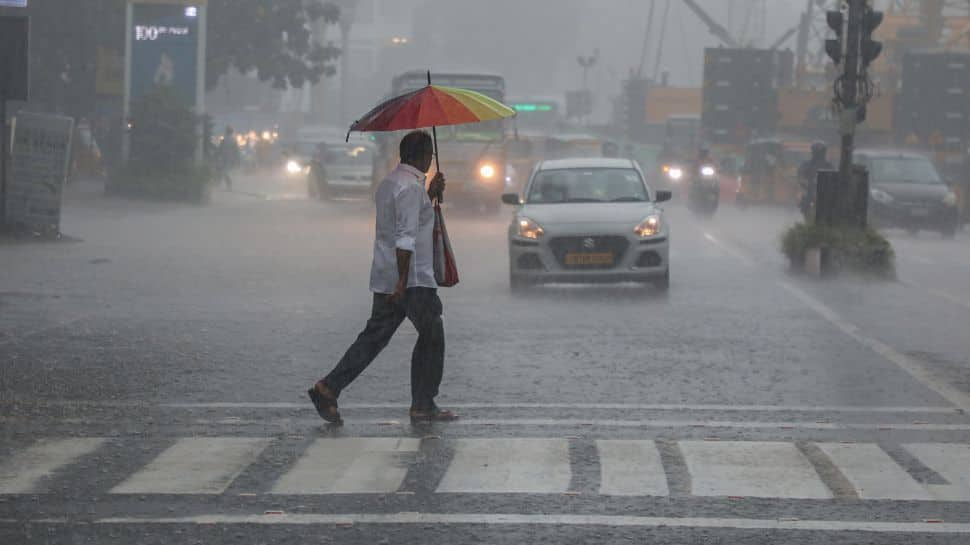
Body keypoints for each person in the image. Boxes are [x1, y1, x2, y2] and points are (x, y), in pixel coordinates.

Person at [308, 130, 454, 425]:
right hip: (411, 279)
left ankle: (328, 387)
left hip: (387, 274)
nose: (430, 161)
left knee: (374, 338)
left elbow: (406, 220)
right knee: (432, 334)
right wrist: (402, 283)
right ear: (423, 155)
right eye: (430, 155)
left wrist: (430, 195)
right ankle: (423, 404)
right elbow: (406, 238)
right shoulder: (411, 188)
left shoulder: (390, 183)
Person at [798, 141, 834, 218]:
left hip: (824, 192)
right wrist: (804, 183)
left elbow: (833, 179)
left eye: (821, 152)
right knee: (806, 202)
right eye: (818, 152)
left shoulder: (828, 165)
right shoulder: (807, 164)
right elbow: (801, 177)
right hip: (811, 190)